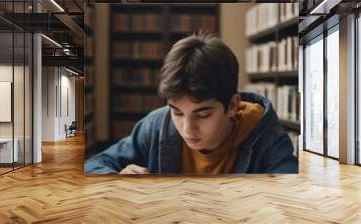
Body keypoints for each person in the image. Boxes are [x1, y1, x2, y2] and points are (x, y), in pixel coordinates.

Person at [84, 32, 298, 175]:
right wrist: (116, 179)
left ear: (232, 105)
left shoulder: (269, 139)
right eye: (177, 112)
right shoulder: (155, 125)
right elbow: (93, 165)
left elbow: (292, 198)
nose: (187, 129)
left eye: (202, 114)